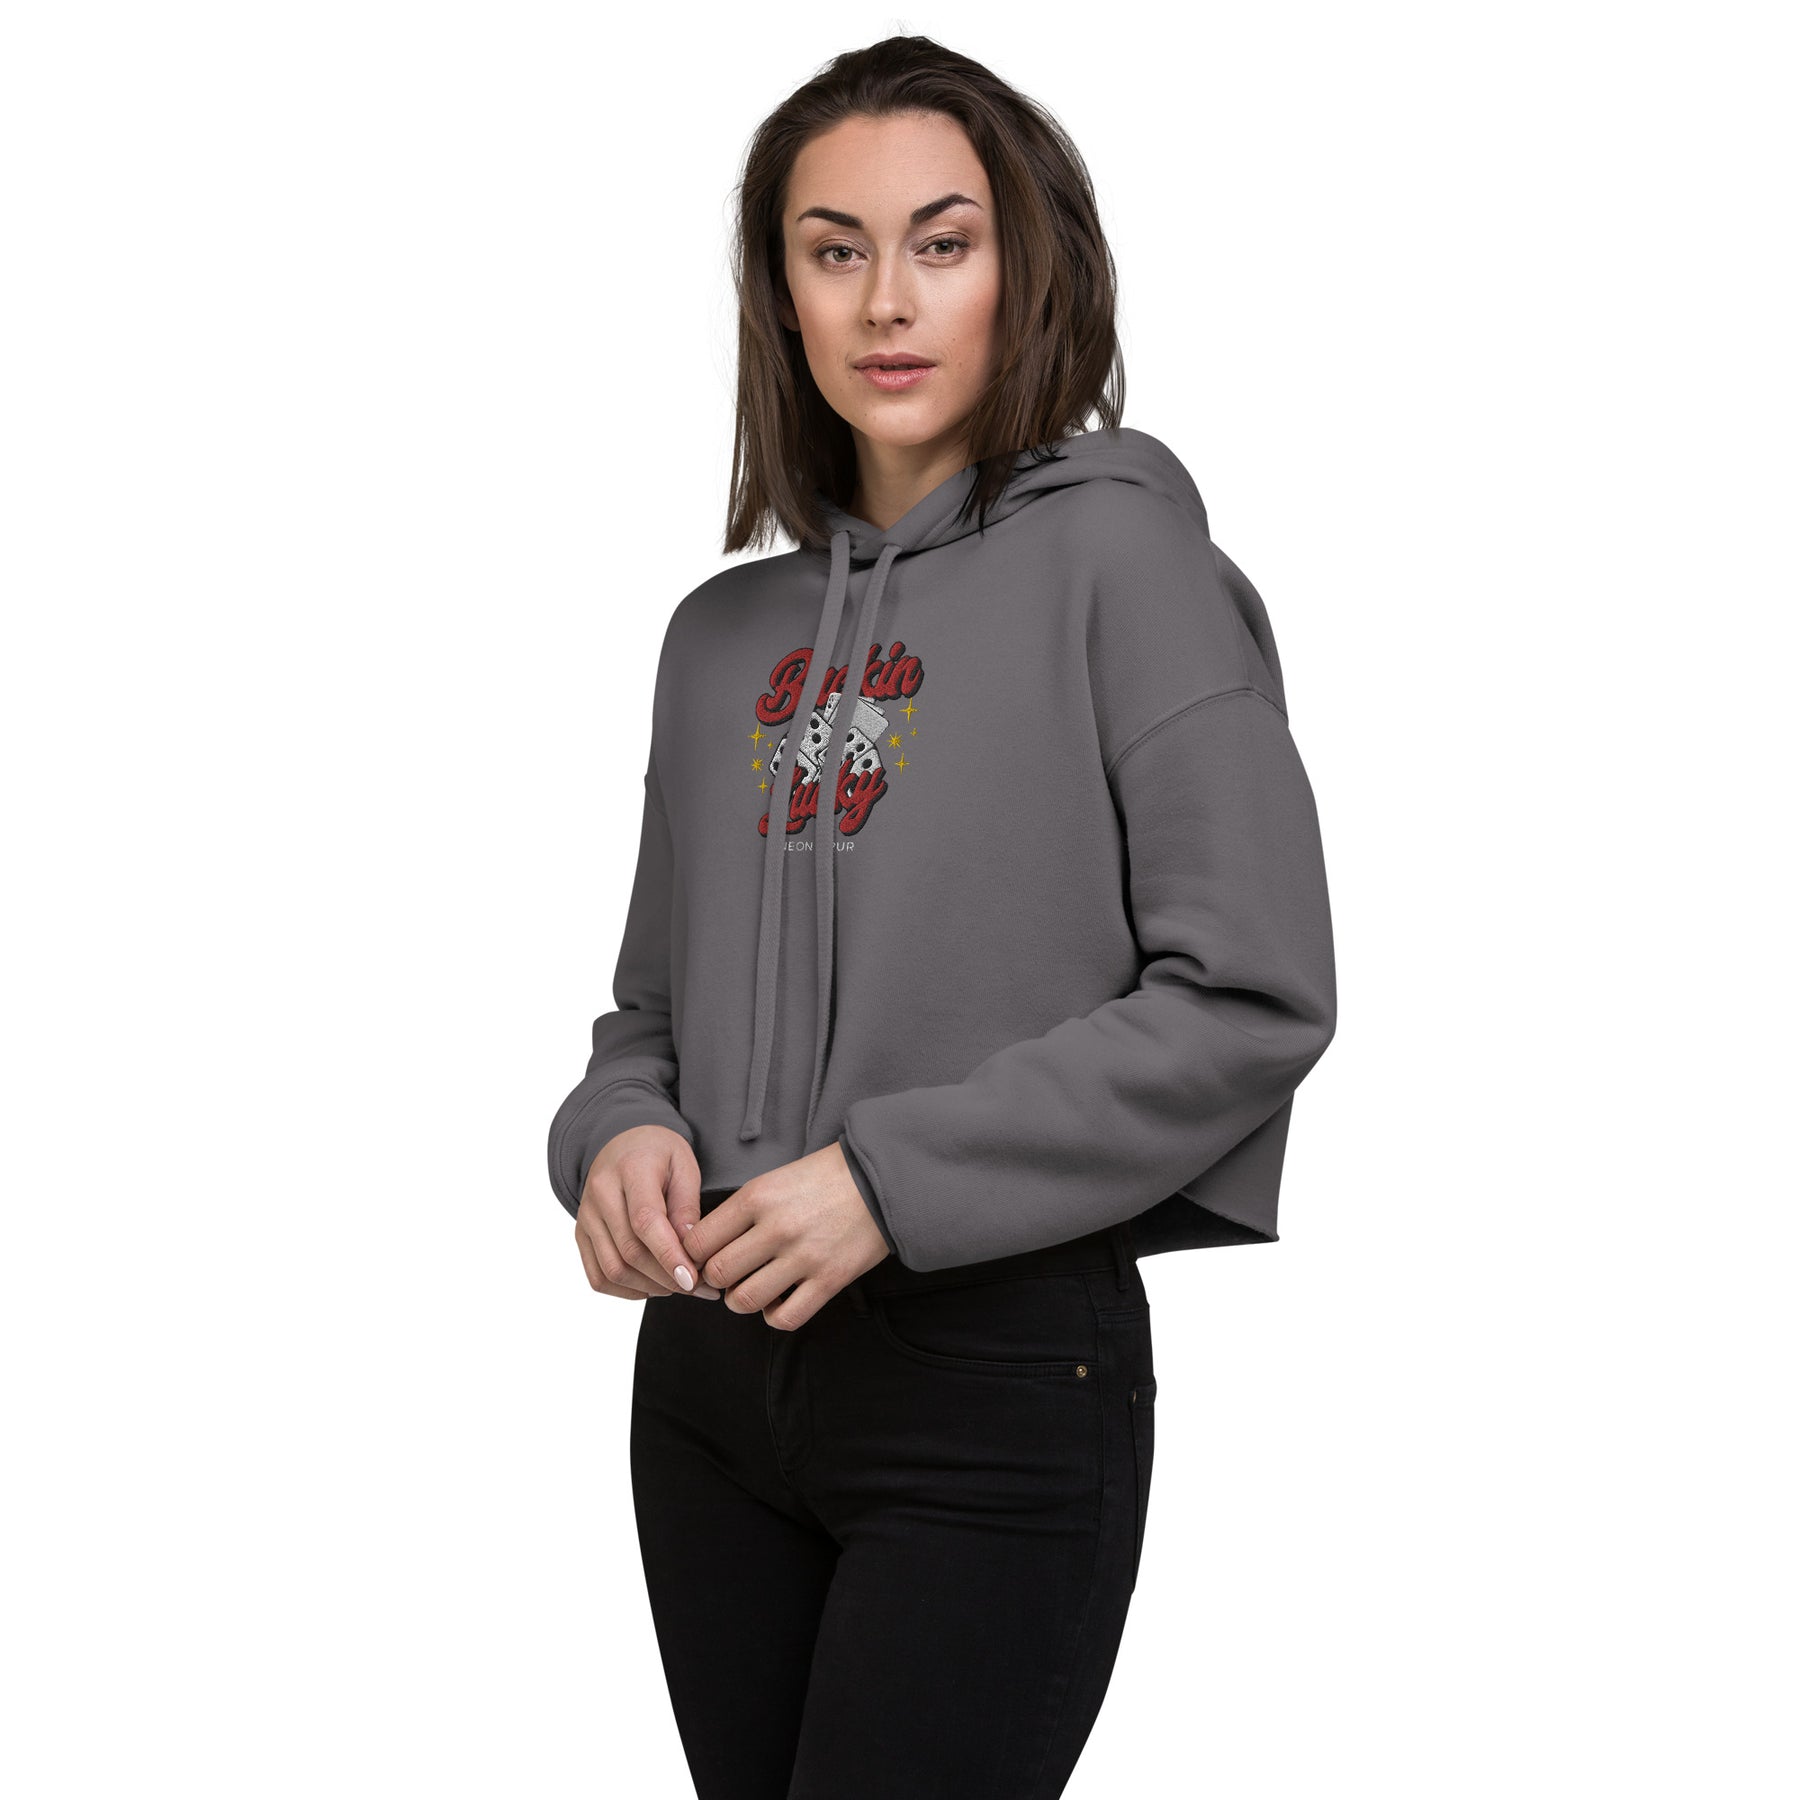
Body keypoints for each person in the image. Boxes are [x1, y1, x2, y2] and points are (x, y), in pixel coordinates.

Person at [544, 34, 1337, 1800]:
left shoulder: (1129, 569)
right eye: (834, 250)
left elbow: (1251, 991)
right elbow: (648, 1015)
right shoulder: (717, 641)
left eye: (943, 242)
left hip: (991, 1367)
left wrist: (888, 1182)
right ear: (782, 293)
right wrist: (614, 1137)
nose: (887, 302)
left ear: (1023, 268)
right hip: (708, 1375)